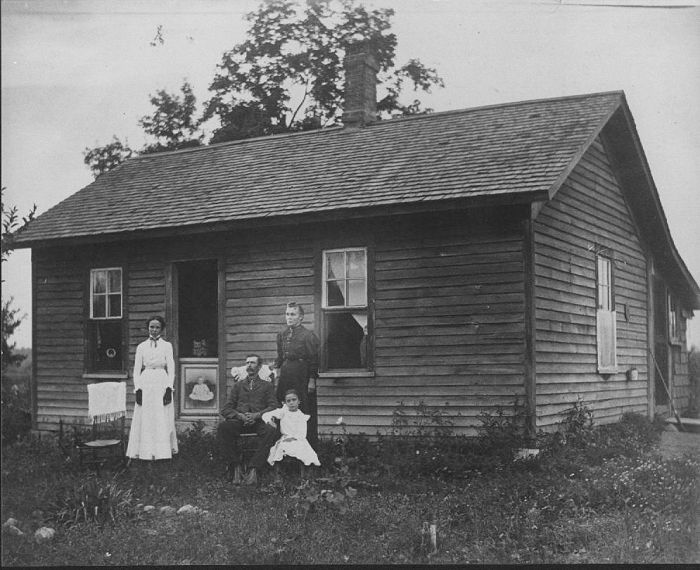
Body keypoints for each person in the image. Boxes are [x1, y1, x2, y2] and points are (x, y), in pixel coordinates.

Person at [217, 355, 279, 486]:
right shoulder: (238, 386)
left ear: (260, 366)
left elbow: (273, 406)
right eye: (247, 363)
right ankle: (236, 467)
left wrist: (257, 415)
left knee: (271, 430)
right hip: (240, 421)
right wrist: (240, 416)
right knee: (224, 428)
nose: (249, 365)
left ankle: (254, 468)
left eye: (252, 363)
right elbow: (226, 408)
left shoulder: (266, 386)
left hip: (259, 421)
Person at [126, 316, 178, 461]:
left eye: (157, 327)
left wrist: (169, 388)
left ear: (162, 329)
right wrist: (138, 389)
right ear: (147, 328)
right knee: (146, 418)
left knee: (161, 417)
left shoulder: (167, 346)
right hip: (146, 381)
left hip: (161, 381)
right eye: (151, 327)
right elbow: (136, 370)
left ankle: (162, 453)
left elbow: (171, 368)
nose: (154, 330)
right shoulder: (141, 347)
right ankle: (144, 453)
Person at [274, 302, 320, 445]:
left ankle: (307, 446)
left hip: (302, 374)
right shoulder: (282, 335)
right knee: (283, 405)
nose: (289, 317)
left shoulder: (308, 335)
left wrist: (311, 380)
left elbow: (314, 359)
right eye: (287, 314)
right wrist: (277, 374)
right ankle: (282, 445)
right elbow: (280, 357)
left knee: (304, 407)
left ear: (301, 317)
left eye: (293, 314)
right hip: (286, 373)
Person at [262, 389, 320, 472]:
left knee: (302, 449)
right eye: (288, 401)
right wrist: (270, 422)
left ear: (299, 401)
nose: (291, 403)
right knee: (280, 448)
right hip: (285, 438)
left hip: (299, 439)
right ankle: (278, 474)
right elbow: (265, 415)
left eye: (294, 400)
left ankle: (304, 473)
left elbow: (302, 433)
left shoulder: (301, 416)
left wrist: (294, 438)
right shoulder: (283, 412)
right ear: (285, 403)